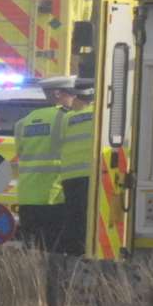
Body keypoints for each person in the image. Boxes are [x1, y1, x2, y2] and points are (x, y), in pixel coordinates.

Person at [11, 82, 67, 250]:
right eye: (72, 94)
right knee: (53, 248)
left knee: (32, 248)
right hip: (53, 195)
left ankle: (29, 275)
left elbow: (20, 152)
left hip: (27, 196)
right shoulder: (64, 118)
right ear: (59, 94)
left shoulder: (23, 122)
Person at [43, 76, 96, 255]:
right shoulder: (101, 115)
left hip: (70, 178)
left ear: (76, 96)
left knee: (76, 220)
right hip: (97, 176)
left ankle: (75, 256)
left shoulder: (67, 119)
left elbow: (55, 145)